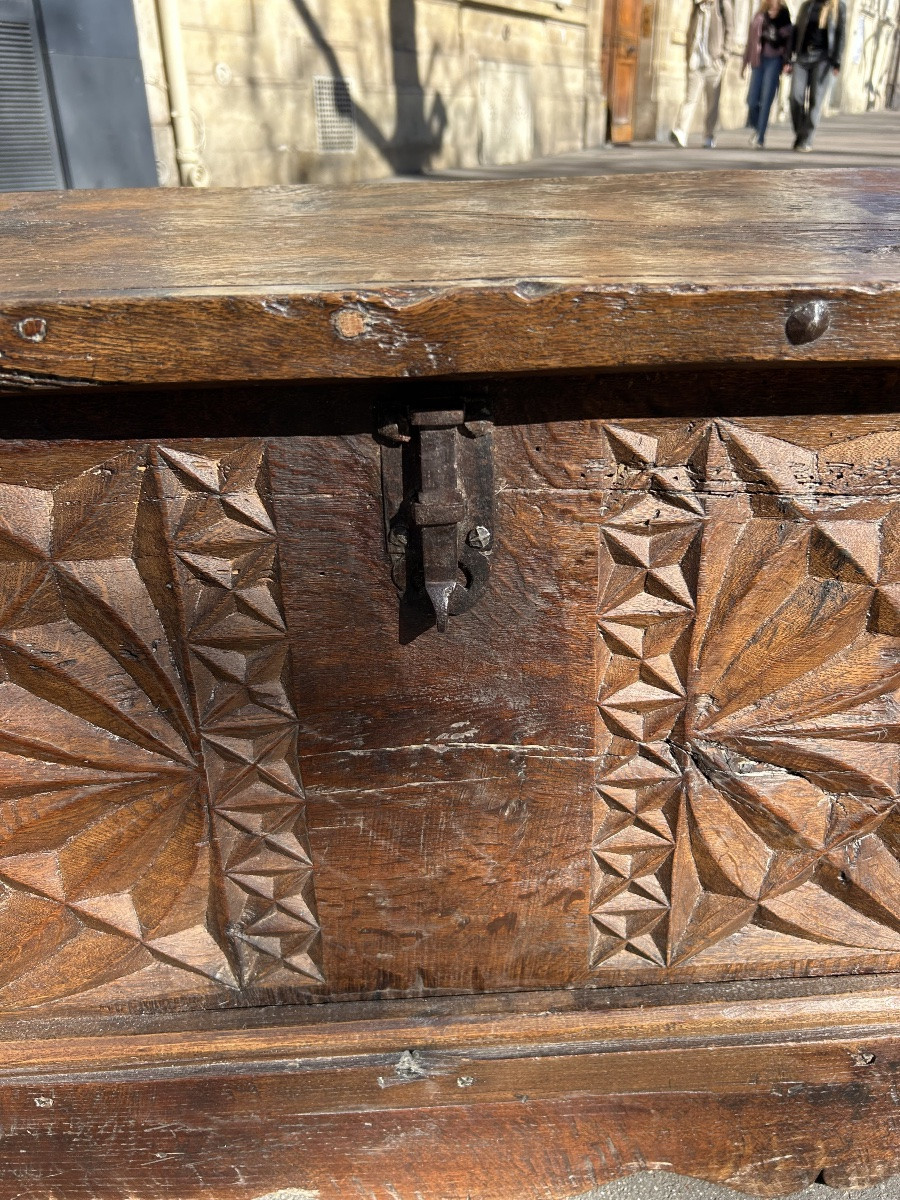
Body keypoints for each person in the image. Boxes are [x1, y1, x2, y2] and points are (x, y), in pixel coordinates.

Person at [670, 0, 735, 149]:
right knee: (689, 99)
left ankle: (708, 135)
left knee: (712, 103)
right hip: (696, 62)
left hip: (714, 62)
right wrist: (688, 54)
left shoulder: (722, 4)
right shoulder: (698, 5)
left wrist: (724, 56)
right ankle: (681, 132)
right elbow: (690, 30)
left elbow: (730, 29)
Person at [788, 0, 846, 150]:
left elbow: (840, 33)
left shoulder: (838, 7)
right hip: (802, 56)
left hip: (823, 59)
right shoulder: (808, 5)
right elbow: (796, 29)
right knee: (795, 96)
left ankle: (806, 139)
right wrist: (789, 56)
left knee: (816, 100)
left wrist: (837, 61)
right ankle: (800, 132)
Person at [742, 0, 793, 147]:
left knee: (766, 99)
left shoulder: (784, 14)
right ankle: (757, 128)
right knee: (752, 100)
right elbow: (751, 41)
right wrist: (744, 63)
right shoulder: (760, 14)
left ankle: (760, 137)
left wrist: (787, 61)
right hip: (759, 60)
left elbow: (789, 41)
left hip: (775, 60)